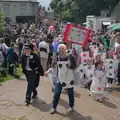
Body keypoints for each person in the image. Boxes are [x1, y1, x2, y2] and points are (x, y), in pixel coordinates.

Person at [50, 44, 77, 114]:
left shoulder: (70, 56)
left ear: (65, 49)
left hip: (69, 78)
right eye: (60, 49)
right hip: (60, 78)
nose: (61, 50)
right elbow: (52, 65)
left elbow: (74, 66)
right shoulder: (57, 57)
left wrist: (70, 65)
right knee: (57, 93)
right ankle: (54, 107)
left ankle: (71, 107)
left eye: (62, 48)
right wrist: (53, 62)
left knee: (70, 93)